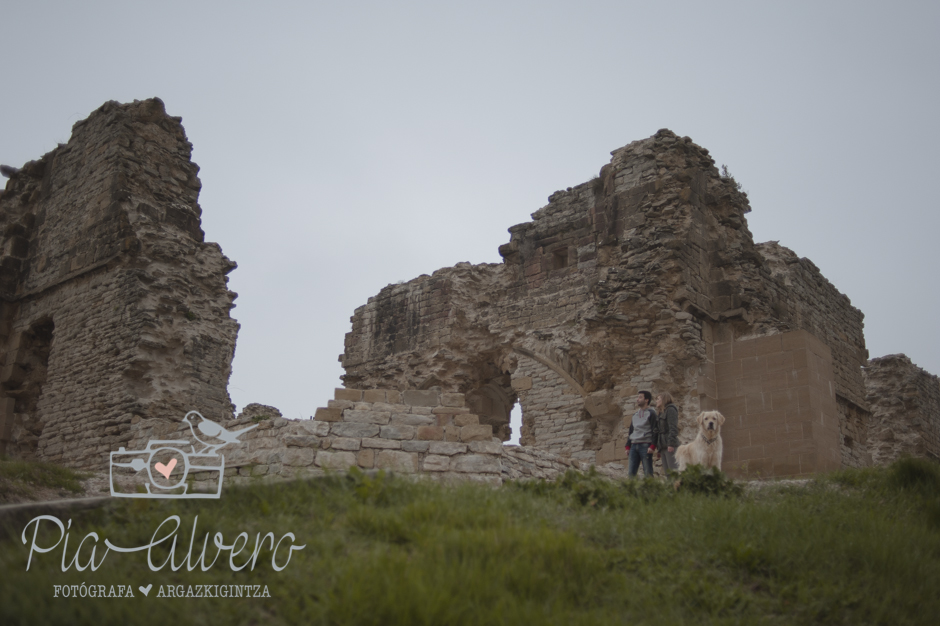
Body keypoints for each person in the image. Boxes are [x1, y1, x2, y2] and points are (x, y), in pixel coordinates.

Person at [625, 390, 657, 478]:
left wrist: (653, 446)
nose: (637, 399)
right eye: (637, 397)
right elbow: (631, 431)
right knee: (631, 473)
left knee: (648, 472)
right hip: (633, 446)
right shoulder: (635, 415)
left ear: (646, 400)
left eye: (640, 397)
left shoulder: (652, 413)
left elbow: (655, 430)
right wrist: (627, 446)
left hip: (645, 445)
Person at [654, 392, 680, 474]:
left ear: (664, 399)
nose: (656, 401)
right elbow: (658, 431)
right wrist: (659, 448)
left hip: (670, 445)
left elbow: (673, 428)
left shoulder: (671, 410)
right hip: (663, 446)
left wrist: (671, 444)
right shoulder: (661, 412)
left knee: (673, 472)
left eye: (658, 399)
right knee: (668, 473)